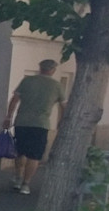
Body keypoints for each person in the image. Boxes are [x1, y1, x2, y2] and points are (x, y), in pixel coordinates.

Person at [4, 59, 67, 195]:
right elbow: (63, 106)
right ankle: (26, 184)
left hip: (22, 122)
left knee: (20, 151)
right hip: (41, 124)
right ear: (53, 70)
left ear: (40, 68)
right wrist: (61, 121)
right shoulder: (56, 86)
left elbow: (14, 100)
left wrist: (9, 117)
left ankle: (18, 177)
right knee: (35, 155)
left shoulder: (27, 81)